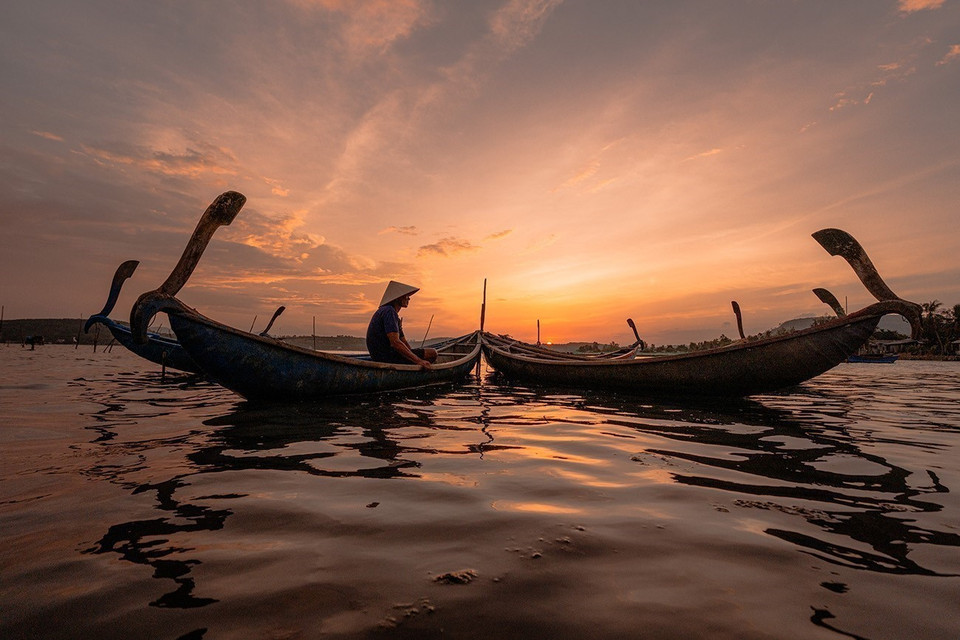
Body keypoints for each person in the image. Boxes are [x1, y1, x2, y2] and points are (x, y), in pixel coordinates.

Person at [366, 281, 438, 369]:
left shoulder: (394, 317)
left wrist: (413, 356)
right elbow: (395, 342)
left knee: (420, 354)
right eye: (407, 296)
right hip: (385, 356)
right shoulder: (389, 311)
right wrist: (419, 361)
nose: (409, 299)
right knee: (433, 353)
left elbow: (404, 343)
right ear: (398, 298)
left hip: (382, 355)